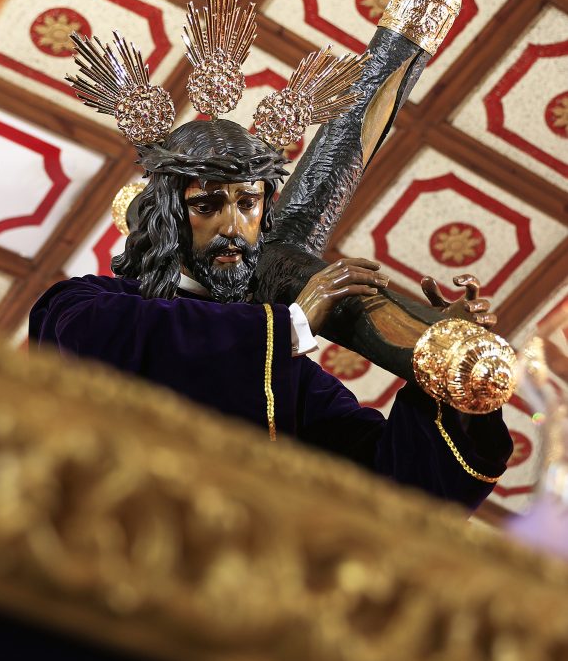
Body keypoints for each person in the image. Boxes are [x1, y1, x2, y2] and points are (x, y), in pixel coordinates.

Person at [30, 119, 512, 510]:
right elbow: (106, 340)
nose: (233, 227)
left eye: (248, 203)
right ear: (168, 216)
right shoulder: (83, 303)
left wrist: (444, 371)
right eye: (207, 205)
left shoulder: (292, 379)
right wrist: (291, 325)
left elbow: (399, 491)